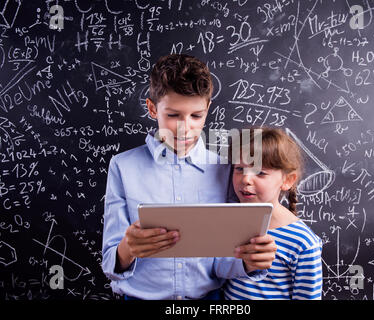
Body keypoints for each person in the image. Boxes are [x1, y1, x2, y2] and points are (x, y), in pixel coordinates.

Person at [101, 54, 277, 300]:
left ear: (208, 109)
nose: (185, 128)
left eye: (196, 116)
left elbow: (223, 262)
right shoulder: (123, 167)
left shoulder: (225, 169)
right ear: (152, 108)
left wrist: (249, 262)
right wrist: (127, 249)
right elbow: (110, 264)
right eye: (173, 115)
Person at [224, 127, 323, 300]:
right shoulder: (229, 222)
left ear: (287, 180)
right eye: (239, 168)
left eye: (260, 172)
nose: (246, 179)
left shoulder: (303, 243)